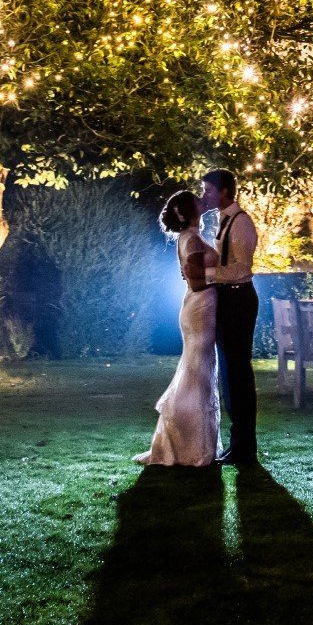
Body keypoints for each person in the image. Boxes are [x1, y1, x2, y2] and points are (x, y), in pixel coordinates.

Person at [133, 190, 220, 467]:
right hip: (201, 306)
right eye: (198, 203)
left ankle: (191, 442)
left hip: (199, 307)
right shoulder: (192, 239)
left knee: (198, 369)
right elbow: (196, 282)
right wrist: (227, 275)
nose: (202, 205)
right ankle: (190, 445)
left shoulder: (189, 237)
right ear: (189, 211)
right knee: (197, 372)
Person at [201, 167, 259, 465]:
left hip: (239, 298)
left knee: (238, 372)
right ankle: (238, 444)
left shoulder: (241, 223)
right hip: (228, 298)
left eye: (209, 190)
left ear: (224, 191)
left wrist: (205, 274)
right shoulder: (224, 221)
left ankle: (245, 446)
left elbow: (241, 268)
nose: (205, 195)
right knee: (229, 372)